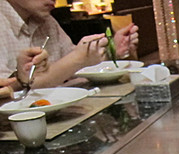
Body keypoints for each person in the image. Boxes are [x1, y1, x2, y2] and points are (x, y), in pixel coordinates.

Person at [0, 0, 139, 88]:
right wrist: (77, 59)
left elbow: (77, 69)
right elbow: (6, 90)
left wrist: (112, 50)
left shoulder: (47, 21)